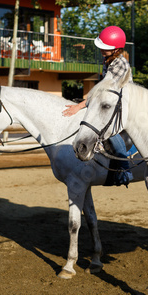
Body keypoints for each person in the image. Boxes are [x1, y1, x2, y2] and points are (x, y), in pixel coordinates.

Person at [63, 26, 133, 185]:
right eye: (101, 46)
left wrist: (79, 106)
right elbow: (100, 87)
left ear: (116, 49)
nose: (101, 49)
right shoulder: (108, 60)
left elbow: (104, 90)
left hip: (122, 104)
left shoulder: (120, 64)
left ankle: (125, 168)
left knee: (110, 131)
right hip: (109, 101)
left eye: (105, 48)